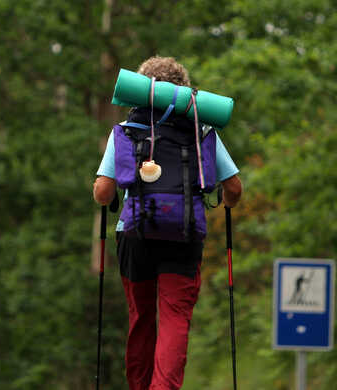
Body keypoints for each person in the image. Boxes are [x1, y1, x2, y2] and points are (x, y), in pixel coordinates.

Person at [93, 56, 242, 390]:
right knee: (175, 318)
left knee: (141, 319)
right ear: (185, 91)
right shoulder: (201, 131)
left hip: (134, 234)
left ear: (142, 91)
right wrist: (226, 204)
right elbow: (233, 188)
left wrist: (105, 194)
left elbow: (104, 192)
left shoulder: (127, 130)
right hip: (185, 233)